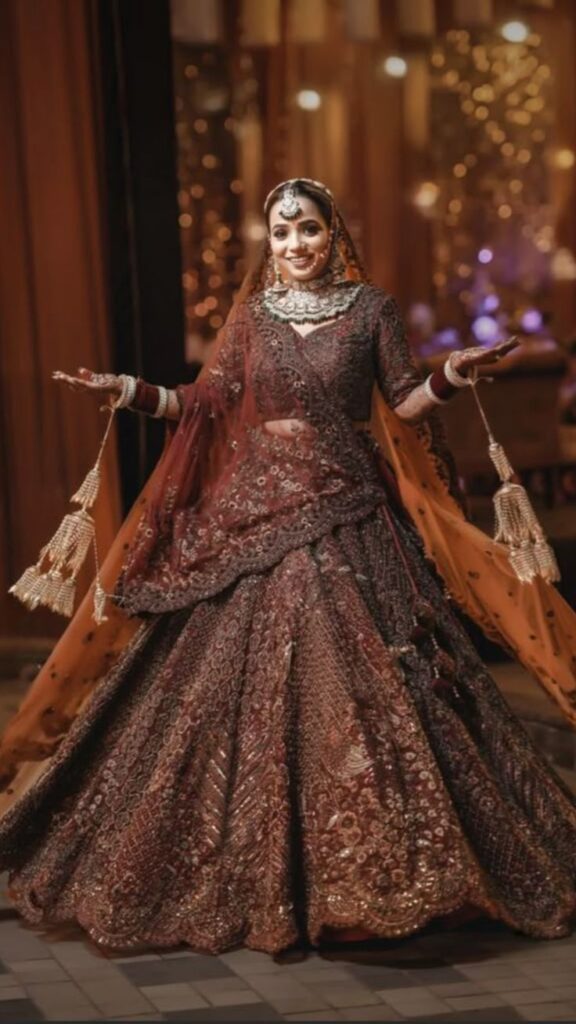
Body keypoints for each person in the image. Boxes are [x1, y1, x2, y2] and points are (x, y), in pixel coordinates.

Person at [1, 178, 576, 957]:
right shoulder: (251, 317)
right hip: (254, 514)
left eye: (307, 228)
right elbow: (206, 404)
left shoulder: (369, 308)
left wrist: (452, 375)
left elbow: (401, 402)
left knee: (370, 671)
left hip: (348, 511)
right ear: (267, 242)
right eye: (280, 232)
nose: (295, 244)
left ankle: (377, 876)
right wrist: (128, 391)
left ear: (331, 233)